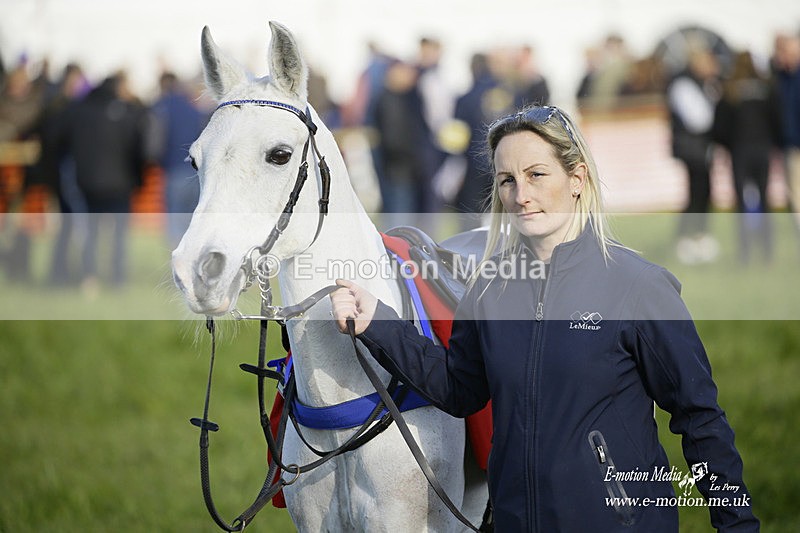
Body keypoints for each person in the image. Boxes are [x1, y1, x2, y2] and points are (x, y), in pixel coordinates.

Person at [330, 105, 759, 531]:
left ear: (576, 179)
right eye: (507, 180)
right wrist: (380, 323)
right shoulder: (488, 290)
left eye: (537, 174)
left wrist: (736, 525)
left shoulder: (638, 287)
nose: (521, 195)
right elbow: (461, 389)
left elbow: (700, 419)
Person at [713, 51, 782, 264]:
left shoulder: (730, 91)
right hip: (762, 150)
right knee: (765, 199)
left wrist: (727, 146)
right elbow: (777, 119)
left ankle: (744, 253)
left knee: (741, 204)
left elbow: (719, 126)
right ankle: (767, 251)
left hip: (740, 152)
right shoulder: (766, 88)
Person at [666, 47, 722, 264]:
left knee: (703, 193)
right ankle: (687, 239)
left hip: (700, 148)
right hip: (692, 149)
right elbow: (699, 119)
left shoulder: (701, 84)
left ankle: (697, 236)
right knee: (697, 194)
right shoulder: (684, 84)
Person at [150, 72, 209, 248]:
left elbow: (154, 142)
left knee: (174, 222)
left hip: (173, 169)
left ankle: (177, 268)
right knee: (195, 222)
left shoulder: (161, 106)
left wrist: (156, 160)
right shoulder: (192, 106)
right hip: (196, 171)